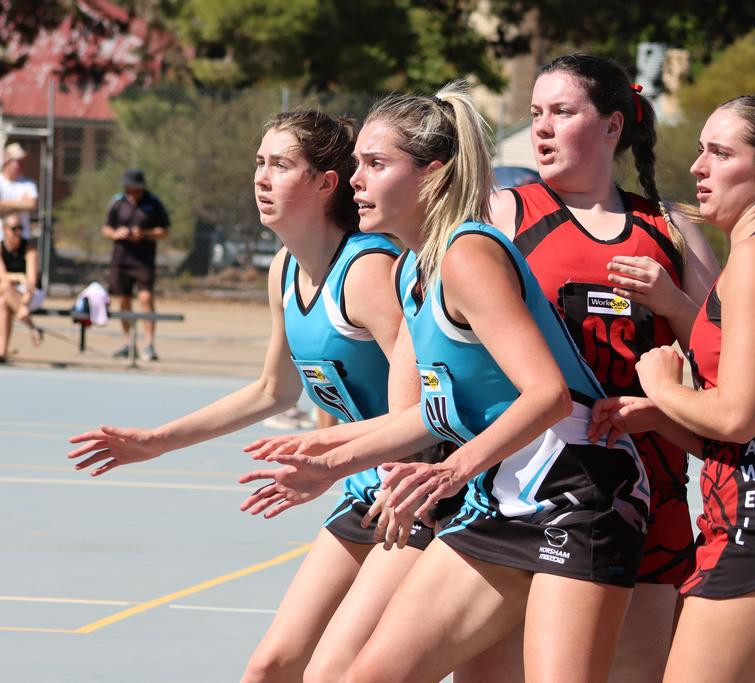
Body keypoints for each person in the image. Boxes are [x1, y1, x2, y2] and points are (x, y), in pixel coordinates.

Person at [239, 82, 652, 683]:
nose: (355, 181)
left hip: (580, 495)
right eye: (357, 165)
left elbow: (548, 395)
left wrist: (449, 471)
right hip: (500, 499)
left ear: (431, 176)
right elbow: (433, 415)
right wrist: (332, 458)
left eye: (376, 165)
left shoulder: (467, 255)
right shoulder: (411, 270)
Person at [68, 110, 424, 682]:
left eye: (281, 165)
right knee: (270, 668)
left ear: (325, 183)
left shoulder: (368, 272)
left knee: (333, 675)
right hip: (362, 483)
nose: (261, 177)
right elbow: (273, 389)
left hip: (420, 491)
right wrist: (158, 441)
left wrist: (327, 455)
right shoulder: (285, 270)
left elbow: (422, 408)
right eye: (258, 162)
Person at [590, 95, 755, 681]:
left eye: (720, 153)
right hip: (750, 508)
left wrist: (660, 388)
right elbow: (740, 436)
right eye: (702, 150)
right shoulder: (753, 256)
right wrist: (661, 419)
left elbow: (737, 418)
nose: (698, 167)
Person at [487, 53, 719, 681]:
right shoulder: (503, 215)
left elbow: (729, 360)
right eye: (535, 113)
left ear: (613, 126)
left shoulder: (668, 229)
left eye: (561, 112)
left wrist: (672, 306)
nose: (541, 128)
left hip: (646, 495)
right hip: (524, 491)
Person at [101, 167, 170, 361]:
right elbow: (105, 228)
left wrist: (145, 233)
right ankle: (127, 343)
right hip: (121, 259)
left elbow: (164, 231)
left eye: (136, 190)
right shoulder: (117, 202)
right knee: (123, 300)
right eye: (129, 189)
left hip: (143, 260)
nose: (133, 194)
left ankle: (149, 344)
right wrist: (116, 233)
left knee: (146, 298)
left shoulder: (153, 203)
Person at [0, 213, 43, 361]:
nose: (18, 232)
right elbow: (2, 276)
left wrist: (24, 304)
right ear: (5, 230)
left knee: (4, 294)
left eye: (21, 228)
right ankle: (3, 351)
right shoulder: (0, 248)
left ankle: (31, 327)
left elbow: (31, 282)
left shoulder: (29, 248)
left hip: (31, 294)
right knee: (3, 301)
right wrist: (17, 276)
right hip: (9, 292)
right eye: (14, 228)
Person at [0, 142, 39, 238]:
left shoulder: (28, 183)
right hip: (1, 238)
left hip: (22, 238)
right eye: (18, 161)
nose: (22, 164)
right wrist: (20, 204)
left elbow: (32, 204)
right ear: (7, 162)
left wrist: (3, 203)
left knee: (33, 254)